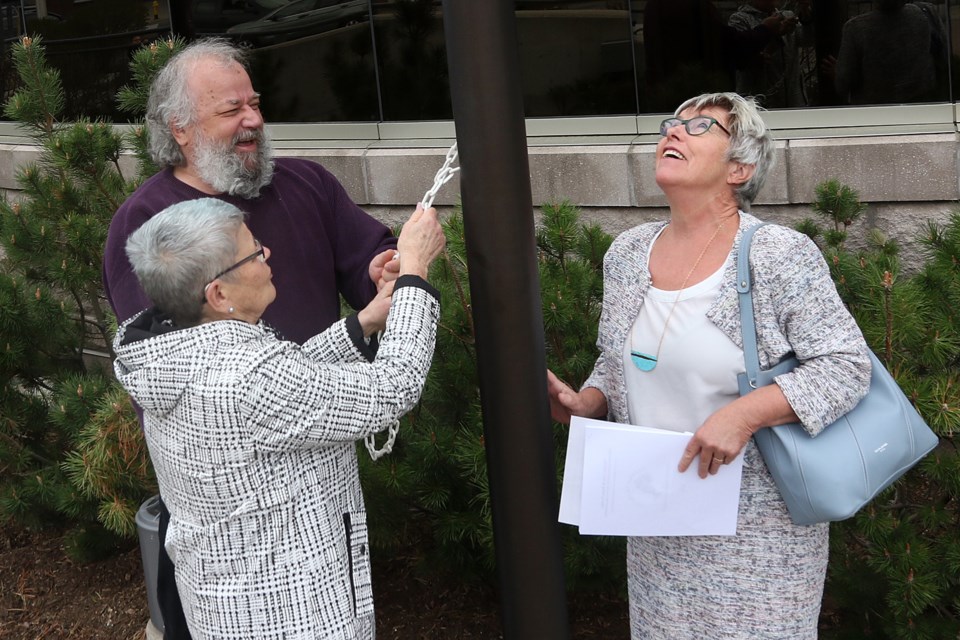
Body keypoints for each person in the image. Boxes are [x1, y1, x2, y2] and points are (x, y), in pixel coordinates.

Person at [102, 38, 399, 639]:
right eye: (231, 110)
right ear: (179, 128)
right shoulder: (147, 224)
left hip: (323, 473)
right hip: (231, 511)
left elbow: (369, 262)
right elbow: (172, 376)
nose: (254, 121)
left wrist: (384, 270)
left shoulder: (305, 183)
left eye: (255, 103)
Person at [547, 93, 871, 638]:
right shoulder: (627, 252)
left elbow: (844, 368)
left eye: (701, 126)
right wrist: (589, 402)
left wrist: (742, 415)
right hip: (654, 519)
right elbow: (617, 360)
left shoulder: (776, 254)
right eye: (671, 123)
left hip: (758, 534)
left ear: (739, 168)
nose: (674, 132)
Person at [113, 197, 445, 639]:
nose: (267, 253)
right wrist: (415, 272)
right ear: (218, 294)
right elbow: (394, 385)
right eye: (253, 251)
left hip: (227, 606)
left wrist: (364, 320)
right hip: (293, 614)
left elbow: (291, 385)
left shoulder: (174, 351)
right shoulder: (248, 380)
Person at [642, 0, 785, 112]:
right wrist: (765, 29)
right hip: (694, 93)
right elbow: (726, 45)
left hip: (670, 90)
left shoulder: (656, 6)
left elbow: (713, 47)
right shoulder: (691, 6)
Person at [831, 0, 940, 105]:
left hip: (874, 113)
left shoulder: (855, 29)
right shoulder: (920, 14)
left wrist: (837, 73)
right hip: (923, 106)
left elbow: (843, 83)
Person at [728, 0, 814, 107]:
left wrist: (806, 16)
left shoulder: (786, 15)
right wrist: (775, 35)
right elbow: (748, 60)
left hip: (794, 100)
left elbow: (807, 40)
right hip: (759, 103)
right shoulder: (739, 20)